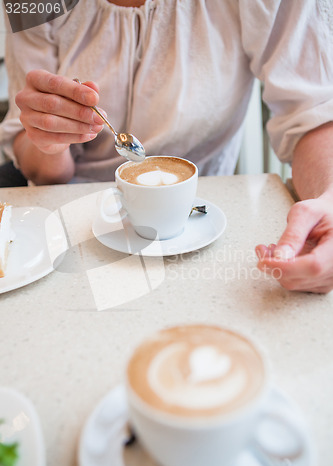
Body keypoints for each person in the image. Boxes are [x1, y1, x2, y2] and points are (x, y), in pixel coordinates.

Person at [0, 0, 332, 293]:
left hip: (203, 226)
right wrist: (50, 138)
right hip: (71, 226)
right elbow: (41, 169)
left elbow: (314, 114)